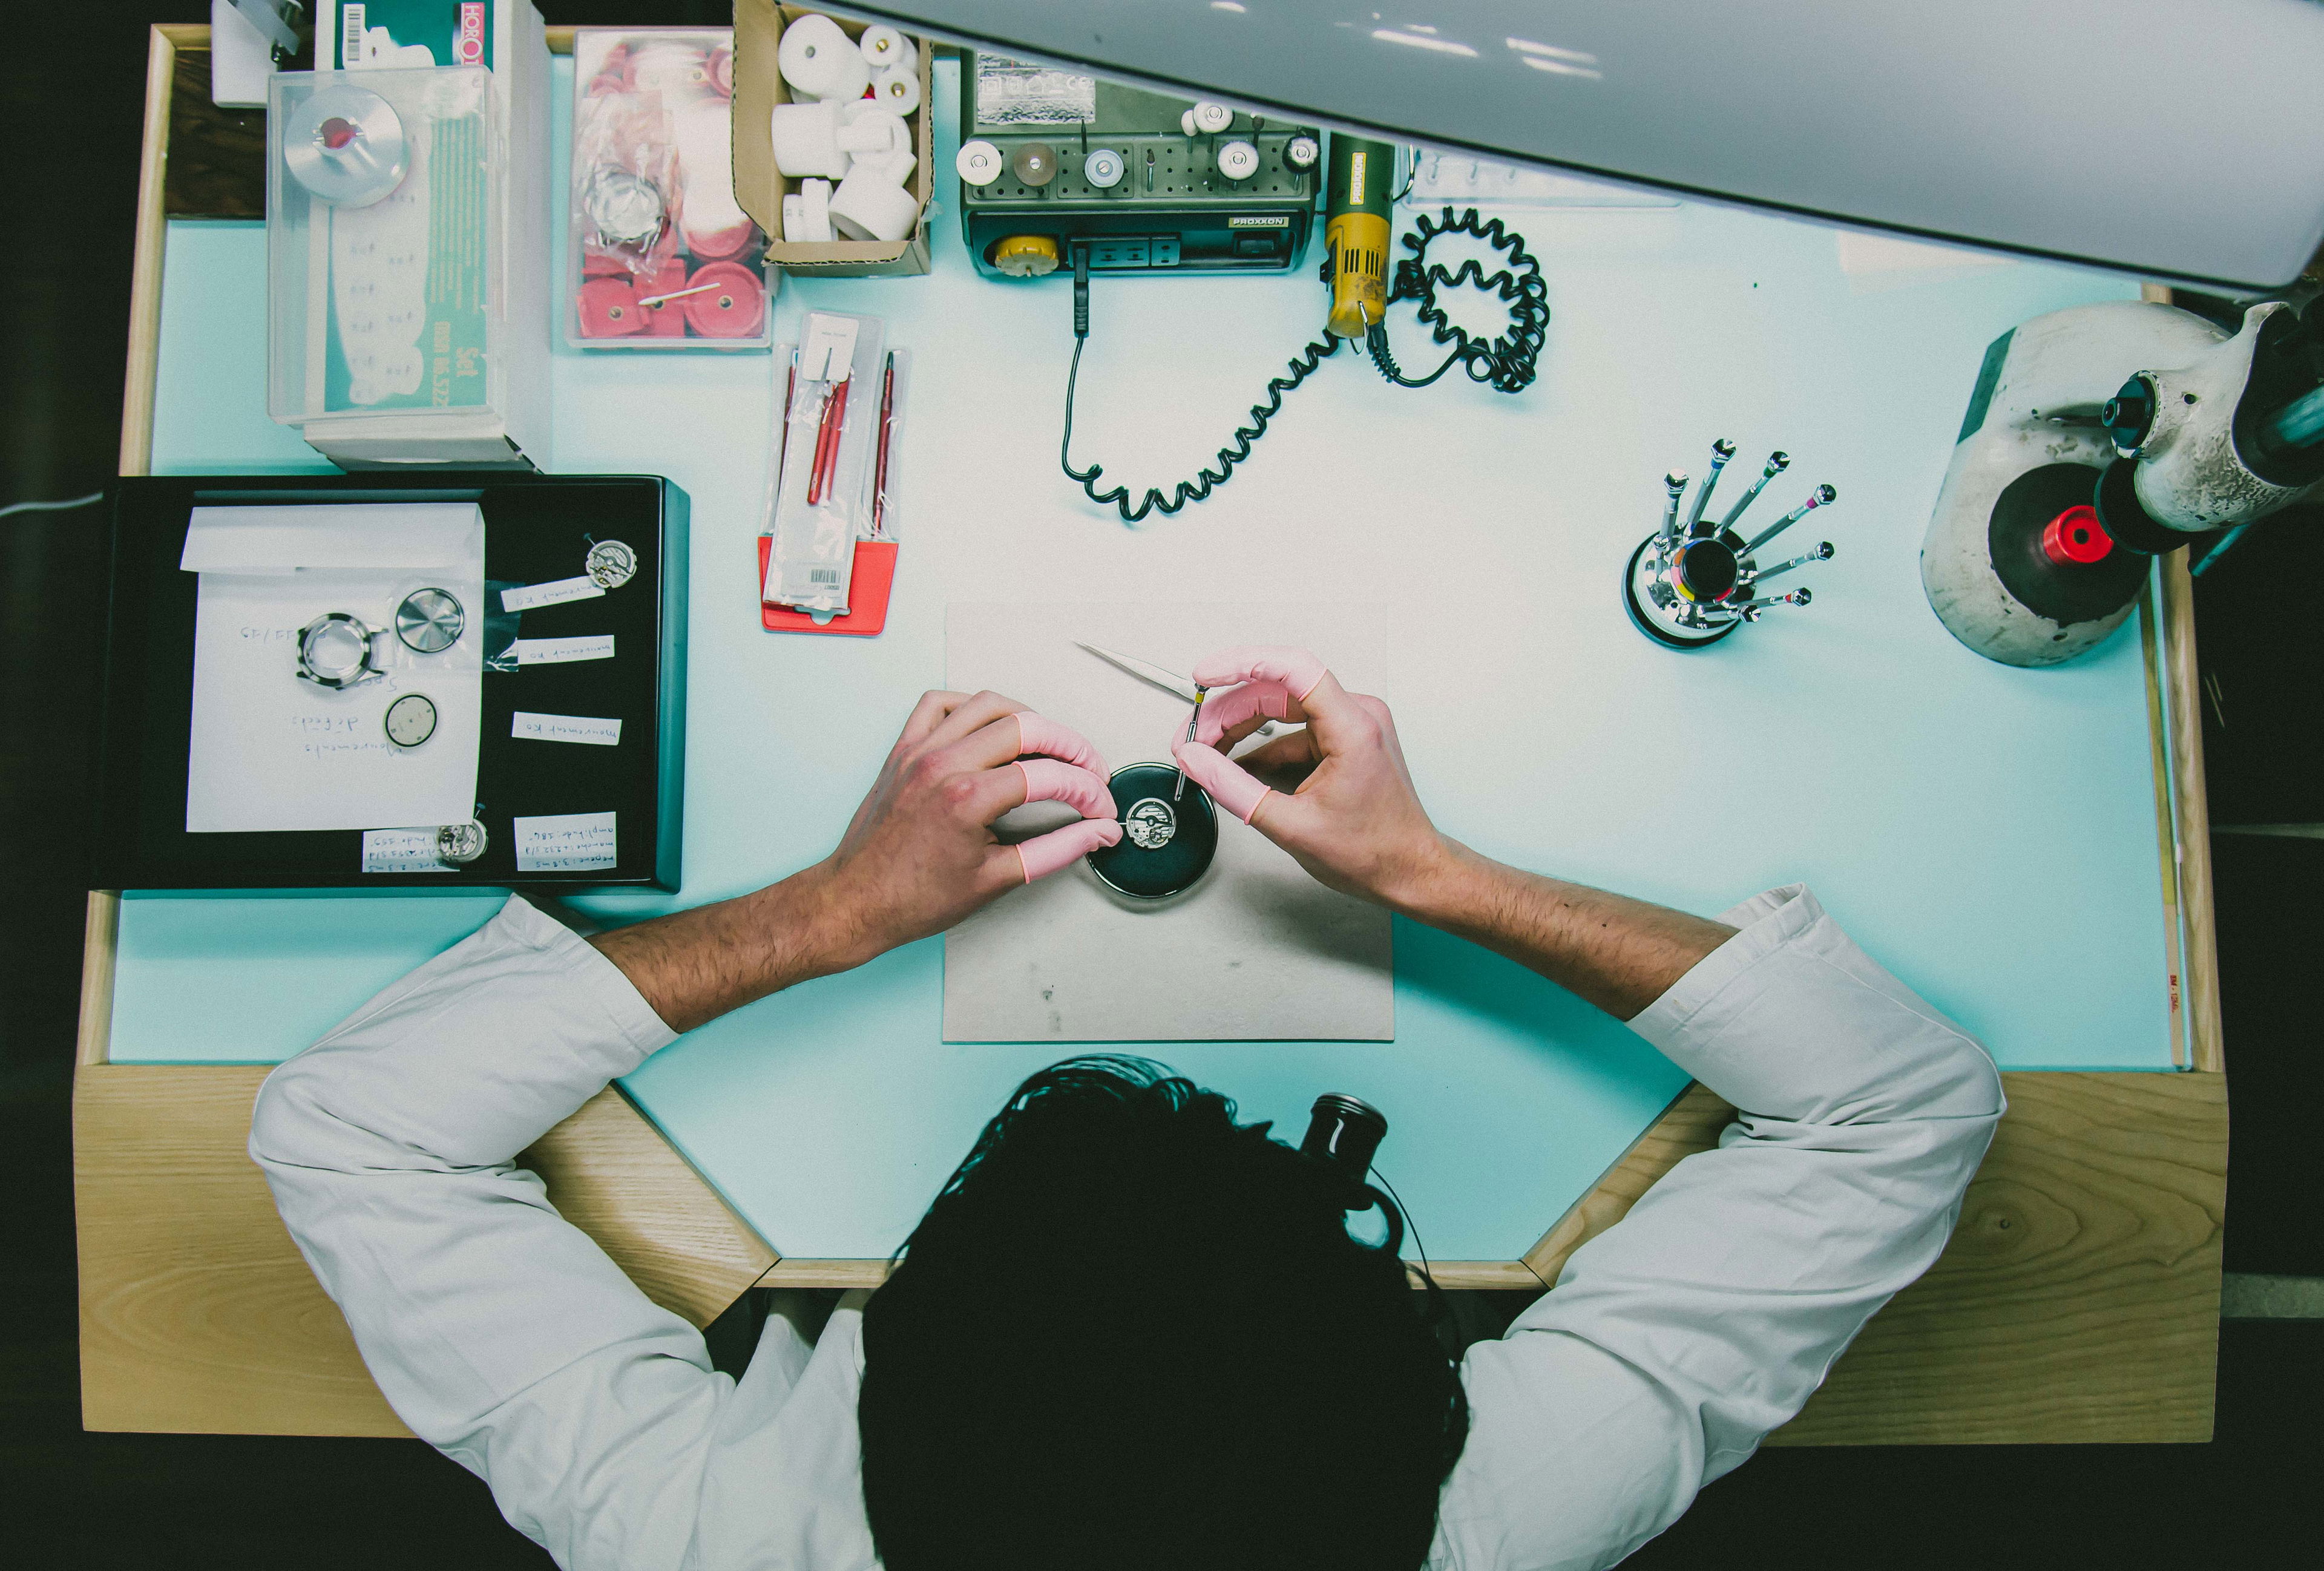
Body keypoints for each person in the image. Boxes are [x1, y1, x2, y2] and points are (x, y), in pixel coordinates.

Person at [251, 646, 2003, 1571]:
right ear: (1422, 1405)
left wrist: (831, 915)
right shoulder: (1491, 1519)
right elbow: (1898, 1105)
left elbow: (349, 1129)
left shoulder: (710, 1540)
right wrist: (1434, 875)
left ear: (877, 1374)